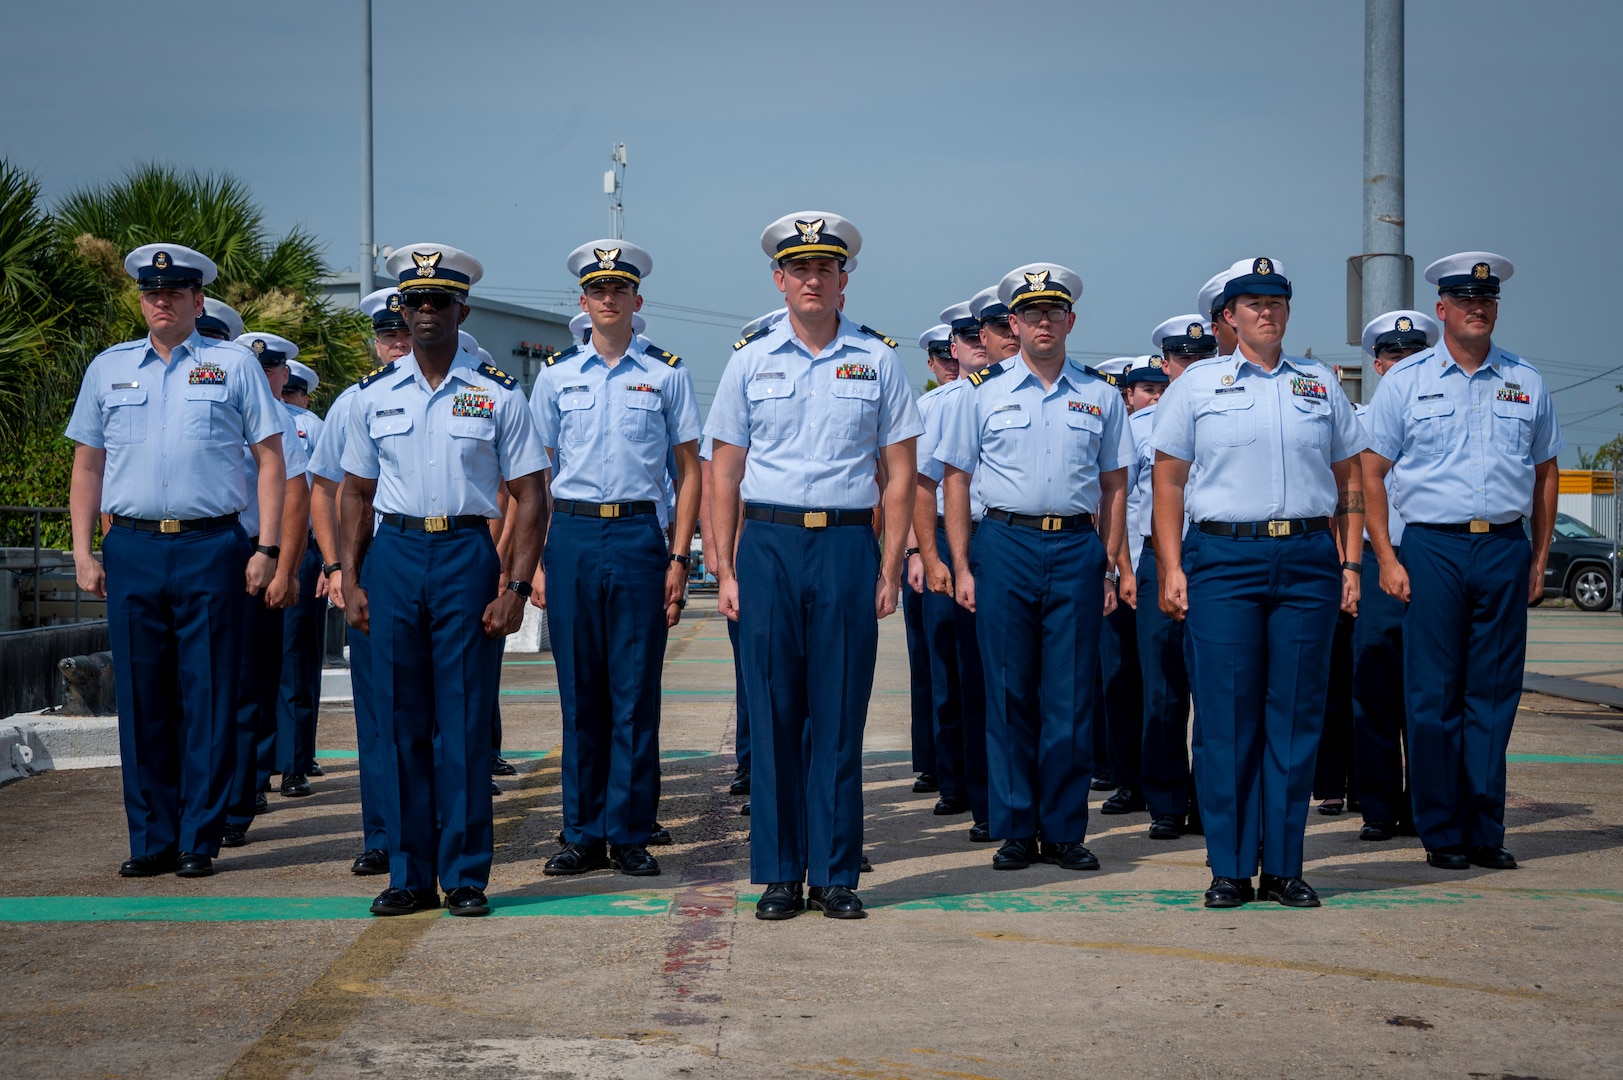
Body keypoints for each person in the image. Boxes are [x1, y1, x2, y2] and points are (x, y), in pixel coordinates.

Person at [706, 211, 921, 920]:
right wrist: (726, 568)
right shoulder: (750, 358)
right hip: (767, 545)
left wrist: (888, 567)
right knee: (770, 713)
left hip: (844, 548)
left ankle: (833, 874)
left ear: (842, 279)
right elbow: (724, 471)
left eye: (824, 268)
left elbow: (897, 472)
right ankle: (777, 872)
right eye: (798, 268)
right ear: (779, 278)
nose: (811, 279)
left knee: (836, 714)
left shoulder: (877, 359)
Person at [340, 243, 549, 917]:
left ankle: (463, 876)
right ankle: (407, 874)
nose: (424, 313)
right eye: (413, 302)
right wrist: (352, 575)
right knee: (400, 722)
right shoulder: (372, 397)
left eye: (438, 302)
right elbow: (352, 492)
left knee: (460, 724)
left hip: (465, 553)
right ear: (401, 310)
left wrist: (514, 587)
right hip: (393, 553)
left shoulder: (496, 394)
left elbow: (531, 494)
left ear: (462, 309)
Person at [1151, 256, 1365, 909]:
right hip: (1223, 559)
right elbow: (1167, 479)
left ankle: (1283, 868)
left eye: (1275, 301)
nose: (1265, 311)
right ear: (1227, 316)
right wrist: (1169, 566)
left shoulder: (1318, 383)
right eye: (1251, 303)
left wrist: (1350, 564)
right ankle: (1228, 866)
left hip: (1305, 559)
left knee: (1295, 718)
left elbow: (1350, 479)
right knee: (1225, 719)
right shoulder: (1196, 385)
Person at [67, 244, 287, 878]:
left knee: (209, 692)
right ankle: (151, 839)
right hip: (133, 545)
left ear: (197, 301)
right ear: (142, 300)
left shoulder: (232, 366)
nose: (161, 301)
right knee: (142, 698)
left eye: (175, 293)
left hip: (210, 545)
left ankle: (199, 836)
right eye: (151, 294)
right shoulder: (108, 369)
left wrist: (266, 547)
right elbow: (88, 465)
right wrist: (84, 551)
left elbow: (271, 460)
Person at [1363, 253, 1562, 871]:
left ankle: (1485, 828)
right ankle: (1443, 832)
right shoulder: (1407, 380)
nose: (1478, 308)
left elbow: (1545, 473)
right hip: (1433, 548)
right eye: (1464, 300)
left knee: (1494, 697)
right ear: (1442, 310)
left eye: (1488, 300)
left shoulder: (1525, 380)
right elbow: (1372, 473)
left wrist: (1539, 556)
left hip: (1504, 546)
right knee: (1432, 698)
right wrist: (1388, 557)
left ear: (1495, 308)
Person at [936, 262, 1134, 873]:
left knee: (1071, 695)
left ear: (1070, 320)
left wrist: (1109, 566)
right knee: (1009, 691)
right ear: (1013, 324)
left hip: (1076, 548)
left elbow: (1115, 486)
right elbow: (957, 480)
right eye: (1030, 313)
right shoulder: (982, 392)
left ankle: (1066, 829)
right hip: (1005, 544)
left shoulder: (1100, 394)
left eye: (1054, 312)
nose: (1043, 322)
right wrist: (963, 565)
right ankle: (1017, 826)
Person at [528, 240, 701, 879]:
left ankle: (628, 832)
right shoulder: (555, 375)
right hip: (571, 535)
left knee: (633, 692)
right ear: (583, 301)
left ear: (636, 299)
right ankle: (581, 833)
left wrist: (679, 558)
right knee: (580, 693)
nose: (608, 299)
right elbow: (537, 474)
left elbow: (689, 471)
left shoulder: (666, 373)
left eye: (618, 289)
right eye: (597, 290)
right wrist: (537, 559)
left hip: (636, 538)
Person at [308, 285, 411, 876]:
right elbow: (324, 488)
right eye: (387, 335)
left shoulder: (475, 389)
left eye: (404, 332)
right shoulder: (355, 402)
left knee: (439, 712)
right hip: (369, 568)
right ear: (375, 344)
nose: (397, 344)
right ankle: (381, 833)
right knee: (378, 714)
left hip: (436, 560)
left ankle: (439, 827)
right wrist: (335, 566)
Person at [218, 333, 312, 848]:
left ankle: (245, 790)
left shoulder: (279, 422)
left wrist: (284, 567)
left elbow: (296, 494)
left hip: (258, 549)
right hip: (209, 547)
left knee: (251, 681)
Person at [1350, 308, 1439, 842]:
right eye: (1393, 354)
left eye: (1414, 353)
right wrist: (1354, 569)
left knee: (1430, 694)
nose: (1403, 362)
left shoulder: (1441, 409)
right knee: (1376, 689)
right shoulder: (1358, 422)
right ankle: (1381, 808)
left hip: (1432, 559)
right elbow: (1349, 499)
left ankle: (1428, 805)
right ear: (1378, 365)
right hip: (1377, 563)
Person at [1136, 317, 1216, 840]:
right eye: (1183, 360)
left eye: (1202, 357)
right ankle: (1166, 801)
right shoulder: (1140, 424)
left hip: (1213, 557)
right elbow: (1115, 498)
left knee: (1215, 688)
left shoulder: (1222, 414)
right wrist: (1118, 564)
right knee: (1162, 689)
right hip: (1152, 559)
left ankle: (1211, 801)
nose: (1192, 368)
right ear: (1166, 365)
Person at [902, 322, 956, 800]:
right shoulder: (929, 407)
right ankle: (937, 762)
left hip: (988, 535)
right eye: (945, 360)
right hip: (934, 534)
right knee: (933, 660)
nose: (952, 367)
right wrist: (916, 550)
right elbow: (912, 485)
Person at [276, 356, 326, 792]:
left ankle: (294, 761)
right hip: (245, 545)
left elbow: (323, 490)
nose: (287, 395)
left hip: (301, 548)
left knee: (296, 660)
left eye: (292, 389)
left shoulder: (308, 425)